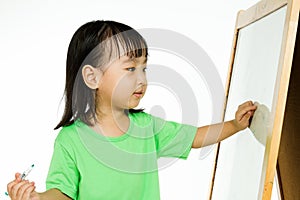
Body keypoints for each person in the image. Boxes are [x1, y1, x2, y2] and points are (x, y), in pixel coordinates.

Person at [7, 20, 257, 200]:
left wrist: (234, 125)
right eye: (130, 68)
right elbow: (62, 193)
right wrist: (37, 198)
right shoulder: (70, 140)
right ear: (92, 77)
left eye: (144, 68)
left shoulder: (147, 127)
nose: (142, 79)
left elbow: (196, 137)